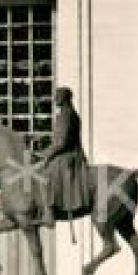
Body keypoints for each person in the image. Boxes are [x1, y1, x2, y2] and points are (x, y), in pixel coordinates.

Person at [39, 87, 89, 223]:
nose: (55, 99)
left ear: (65, 98)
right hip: (64, 151)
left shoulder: (67, 115)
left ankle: (50, 210)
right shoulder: (65, 114)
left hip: (69, 154)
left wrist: (46, 154)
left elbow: (62, 142)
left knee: (45, 173)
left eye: (57, 96)